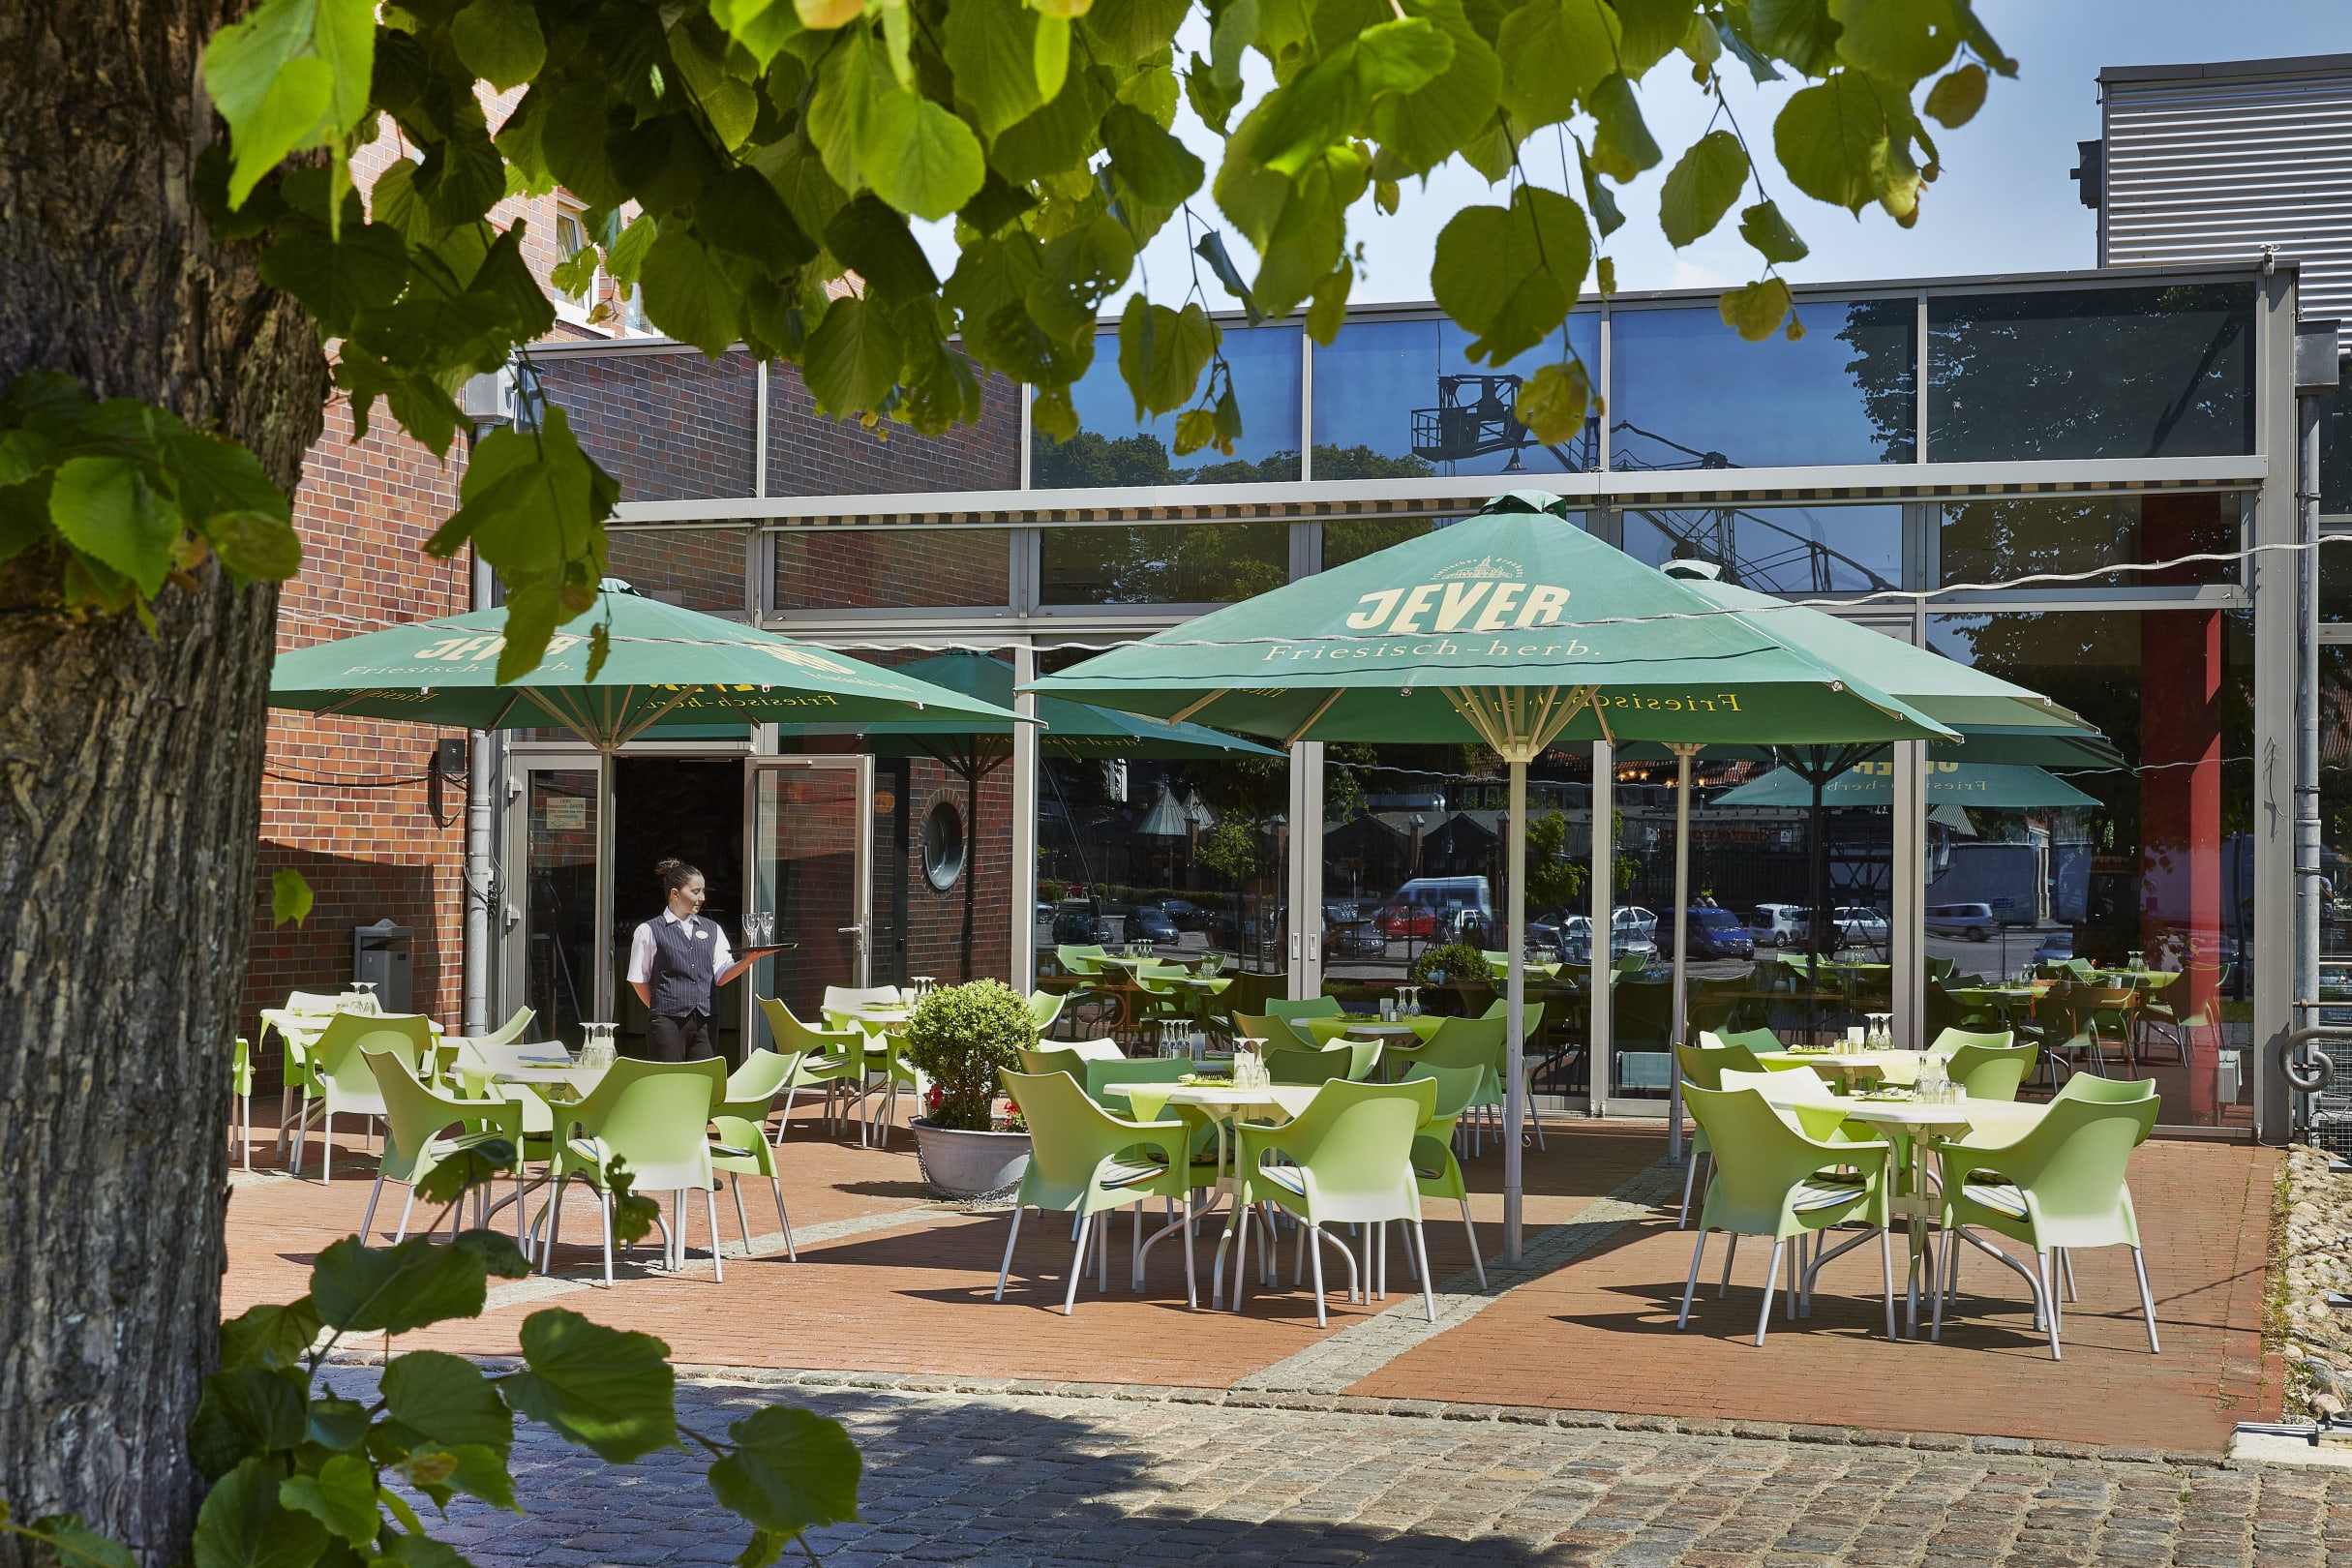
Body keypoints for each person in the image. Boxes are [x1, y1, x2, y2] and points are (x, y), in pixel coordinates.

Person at [625, 858, 766, 1062]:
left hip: (706, 1021)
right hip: (667, 1023)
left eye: (703, 891)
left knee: (701, 1076)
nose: (702, 897)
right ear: (675, 893)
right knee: (669, 1077)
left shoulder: (712, 928)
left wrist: (749, 960)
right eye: (695, 891)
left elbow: (721, 976)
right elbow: (638, 979)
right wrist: (661, 1008)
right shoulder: (648, 930)